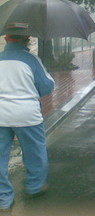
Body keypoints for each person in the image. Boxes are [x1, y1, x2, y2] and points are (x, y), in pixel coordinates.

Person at [0, 34, 55, 212]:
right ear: (26, 40)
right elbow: (47, 86)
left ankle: (4, 199)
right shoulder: (31, 60)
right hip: (27, 115)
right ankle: (34, 186)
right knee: (35, 151)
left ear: (7, 40)